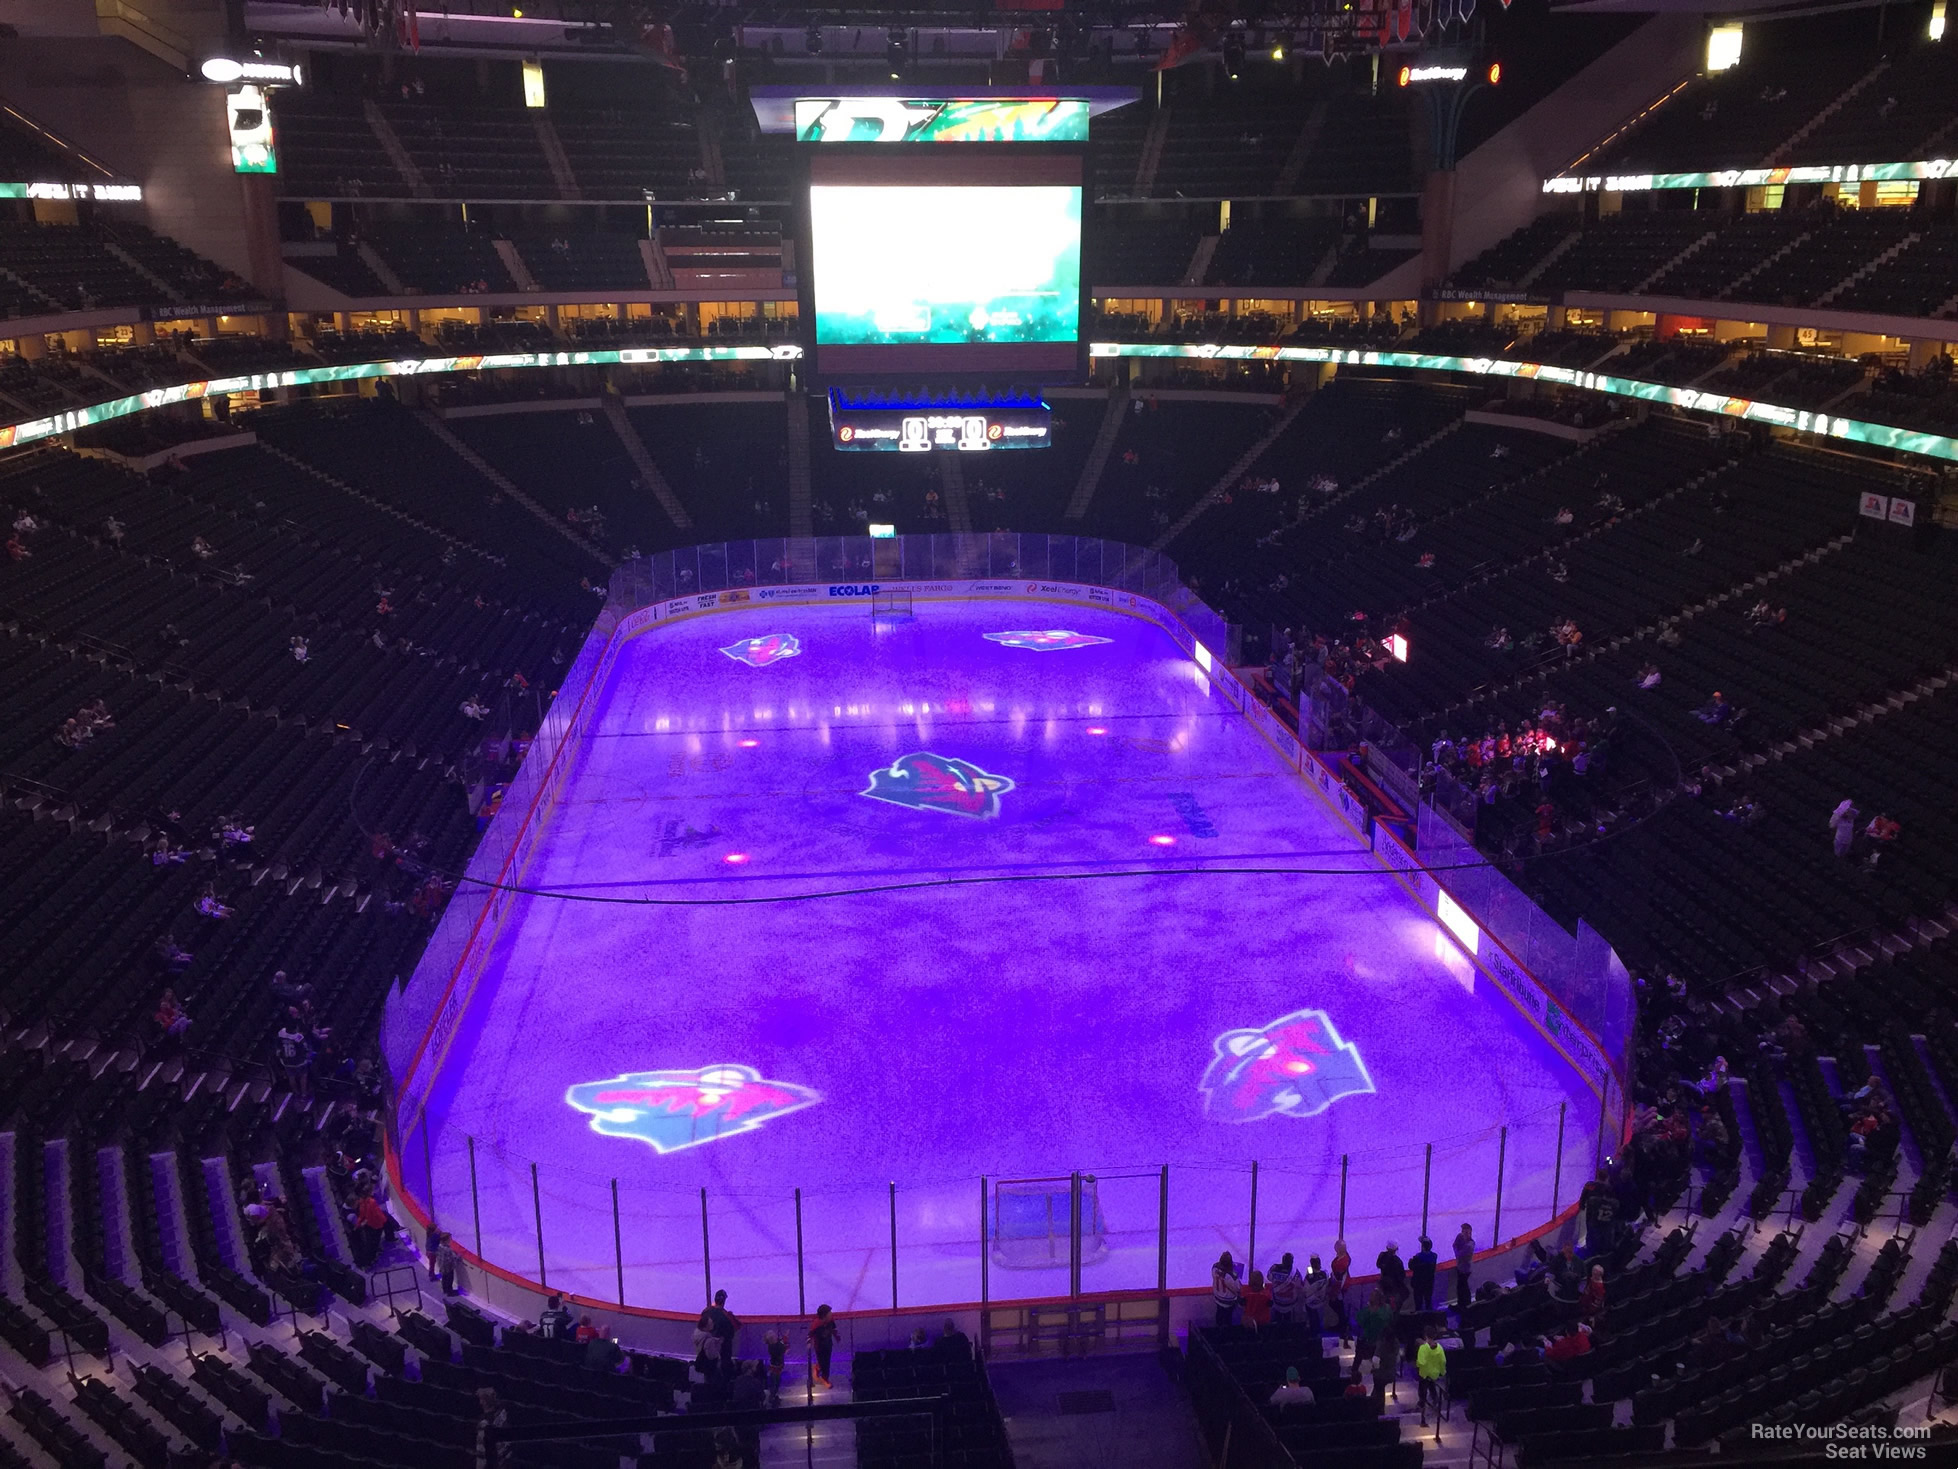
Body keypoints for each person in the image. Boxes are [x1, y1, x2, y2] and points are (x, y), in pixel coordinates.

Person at [1416, 1324, 1447, 1426]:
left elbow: (1421, 1362)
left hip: (1424, 1374)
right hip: (1434, 1373)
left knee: (1423, 1390)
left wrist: (1418, 1365)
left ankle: (1422, 1404)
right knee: (1432, 1385)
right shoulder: (1440, 1348)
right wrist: (1442, 1372)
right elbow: (1443, 1361)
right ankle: (1435, 1399)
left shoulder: (1423, 1348)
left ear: (1425, 1335)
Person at [808, 1304, 837, 1390]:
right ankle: (823, 1377)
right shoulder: (816, 1325)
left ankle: (824, 1376)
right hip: (820, 1347)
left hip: (828, 1345)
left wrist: (837, 1336)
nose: (831, 1314)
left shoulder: (830, 1320)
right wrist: (809, 1343)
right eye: (829, 1313)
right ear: (824, 1315)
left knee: (827, 1362)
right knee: (823, 1362)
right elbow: (810, 1335)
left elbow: (834, 1329)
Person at [1329, 1239, 1352, 1343]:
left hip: (1340, 1287)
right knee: (1339, 1306)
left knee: (1337, 1305)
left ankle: (1344, 1326)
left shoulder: (1341, 1263)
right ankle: (1342, 1323)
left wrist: (1334, 1293)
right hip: (1342, 1284)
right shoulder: (1345, 1257)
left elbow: (1338, 1281)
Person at [1211, 1251, 1242, 1327]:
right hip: (1228, 1301)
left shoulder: (1214, 1267)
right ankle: (1226, 1333)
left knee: (1219, 1314)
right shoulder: (1230, 1276)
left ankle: (1218, 1327)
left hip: (1218, 1297)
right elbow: (1237, 1288)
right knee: (1228, 1318)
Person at [1299, 1257, 1329, 1337]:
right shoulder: (1325, 1274)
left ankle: (1313, 1332)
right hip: (1321, 1301)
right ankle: (1317, 1330)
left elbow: (1305, 1290)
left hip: (1311, 1303)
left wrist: (1308, 1275)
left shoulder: (1309, 1279)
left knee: (1312, 1317)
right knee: (1317, 1317)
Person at [1268, 1252, 1299, 1324]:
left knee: (1278, 1320)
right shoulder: (1295, 1273)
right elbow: (1300, 1285)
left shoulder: (1274, 1269)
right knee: (1287, 1321)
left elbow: (1269, 1277)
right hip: (1289, 1303)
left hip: (1277, 1301)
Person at [1409, 1237, 1438, 1314]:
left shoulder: (1418, 1257)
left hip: (1419, 1283)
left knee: (1418, 1301)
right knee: (1428, 1300)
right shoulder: (1434, 1256)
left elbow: (1411, 1266)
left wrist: (1411, 1261)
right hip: (1429, 1283)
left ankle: (1419, 1316)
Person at [1376, 1241, 1407, 1311]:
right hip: (1393, 1285)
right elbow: (1402, 1275)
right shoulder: (1397, 1261)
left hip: (1384, 1282)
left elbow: (1378, 1265)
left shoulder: (1382, 1256)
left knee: (1385, 1299)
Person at [1453, 1224, 1476, 1313]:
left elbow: (1458, 1253)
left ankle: (1465, 1305)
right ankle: (1462, 1304)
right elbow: (1455, 1246)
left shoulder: (1469, 1245)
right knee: (1461, 1287)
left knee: (1463, 1287)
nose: (1464, 1234)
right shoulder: (1460, 1237)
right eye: (1463, 1231)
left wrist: (1456, 1248)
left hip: (1465, 1269)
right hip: (1461, 1267)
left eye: (1466, 1232)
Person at [764, 1326, 789, 1404]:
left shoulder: (775, 1345)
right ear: (772, 1339)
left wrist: (785, 1338)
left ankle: (774, 1396)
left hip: (777, 1367)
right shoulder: (774, 1347)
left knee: (776, 1383)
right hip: (775, 1368)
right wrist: (785, 1339)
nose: (776, 1336)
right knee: (774, 1384)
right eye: (775, 1336)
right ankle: (772, 1398)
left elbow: (782, 1344)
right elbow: (782, 1348)